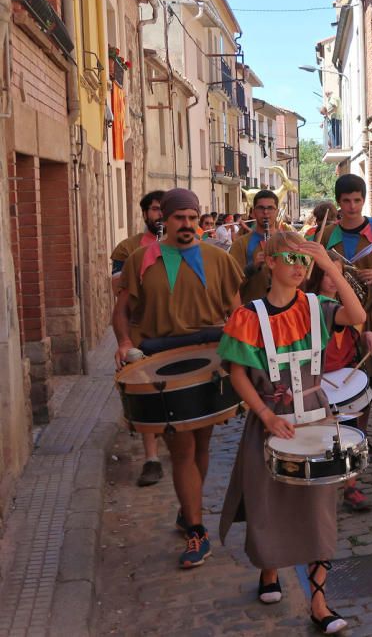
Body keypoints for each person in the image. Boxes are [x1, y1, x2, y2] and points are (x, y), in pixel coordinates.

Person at [218, 231, 364, 633]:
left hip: (315, 417)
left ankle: (319, 602)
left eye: (305, 261)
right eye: (289, 259)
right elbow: (238, 374)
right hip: (271, 417)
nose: (299, 268)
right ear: (269, 262)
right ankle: (270, 569)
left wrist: (331, 264)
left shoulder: (317, 307)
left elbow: (358, 316)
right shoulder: (249, 316)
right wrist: (265, 415)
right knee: (269, 502)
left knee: (318, 509)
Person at [112, 188, 244, 568]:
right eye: (178, 218)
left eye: (191, 217)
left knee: (202, 444)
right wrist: (123, 342)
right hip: (161, 364)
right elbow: (121, 311)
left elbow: (237, 315)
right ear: (164, 221)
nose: (186, 225)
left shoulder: (219, 259)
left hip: (208, 361)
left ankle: (190, 509)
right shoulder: (141, 259)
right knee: (182, 448)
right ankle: (197, 530)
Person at [319, 175, 372, 444]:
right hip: (338, 318)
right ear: (338, 203)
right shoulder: (325, 235)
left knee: (366, 380)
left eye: (357, 200)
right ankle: (341, 435)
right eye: (346, 201)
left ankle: (361, 438)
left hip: (371, 315)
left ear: (364, 200)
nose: (353, 207)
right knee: (340, 376)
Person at [305, 257, 372, 511]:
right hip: (317, 382)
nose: (332, 279)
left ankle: (350, 486)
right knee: (319, 436)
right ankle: (319, 487)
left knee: (349, 431)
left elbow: (356, 328)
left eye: (336, 274)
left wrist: (368, 333)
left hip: (343, 380)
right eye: (327, 274)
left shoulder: (345, 305)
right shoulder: (308, 305)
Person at [110, 189, 165, 487]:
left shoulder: (184, 245)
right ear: (145, 214)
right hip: (140, 329)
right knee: (145, 392)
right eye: (155, 210)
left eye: (163, 210)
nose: (159, 215)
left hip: (173, 330)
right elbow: (116, 286)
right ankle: (151, 458)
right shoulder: (127, 248)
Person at [229, 190, 288, 305]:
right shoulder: (240, 244)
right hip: (253, 310)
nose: (266, 212)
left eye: (270, 208)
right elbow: (231, 283)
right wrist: (253, 267)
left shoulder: (288, 240)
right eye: (261, 208)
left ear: (277, 212)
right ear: (254, 212)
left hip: (283, 308)